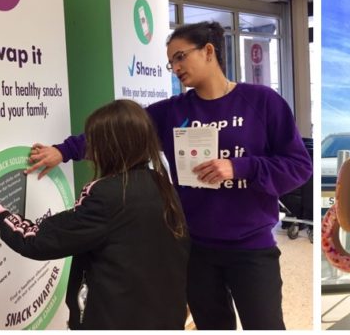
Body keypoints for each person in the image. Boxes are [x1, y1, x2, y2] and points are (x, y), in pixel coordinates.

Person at [25, 21, 312, 330]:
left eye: (180, 57)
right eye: (171, 61)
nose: (175, 67)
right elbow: (119, 132)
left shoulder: (262, 102)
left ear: (208, 51)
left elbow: (299, 167)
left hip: (252, 248)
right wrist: (64, 151)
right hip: (195, 247)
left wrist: (241, 167)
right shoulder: (171, 112)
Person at [0, 99, 190, 330]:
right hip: (164, 315)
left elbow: (37, 240)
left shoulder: (106, 196)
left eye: (94, 141)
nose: (89, 149)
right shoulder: (160, 182)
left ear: (111, 146)